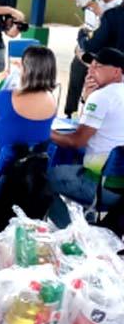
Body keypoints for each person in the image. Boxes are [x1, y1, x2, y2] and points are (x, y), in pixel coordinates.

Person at [48, 47, 124, 227]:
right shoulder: (109, 94)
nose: (90, 70)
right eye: (90, 65)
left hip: (101, 184)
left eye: (98, 66)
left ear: (116, 71)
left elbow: (76, 140)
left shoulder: (102, 96)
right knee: (75, 161)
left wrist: (44, 130)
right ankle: (86, 221)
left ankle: (75, 232)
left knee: (41, 180)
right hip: (119, 183)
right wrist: (86, 98)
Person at [42, 0, 123, 118]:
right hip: (82, 52)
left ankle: (91, 117)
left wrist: (100, 13)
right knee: (75, 84)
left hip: (101, 56)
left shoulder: (118, 9)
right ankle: (69, 115)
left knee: (96, 89)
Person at [0, 45, 58, 174]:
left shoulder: (4, 98)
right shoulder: (52, 100)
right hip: (35, 177)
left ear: (26, 70)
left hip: (1, 174)